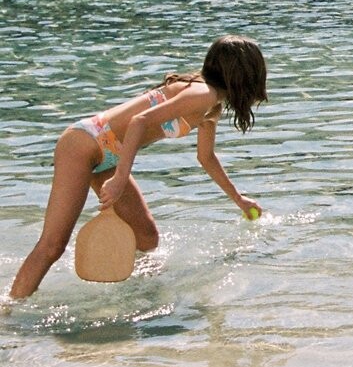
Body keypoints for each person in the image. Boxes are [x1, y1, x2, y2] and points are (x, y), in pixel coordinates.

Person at [7, 36, 268, 299]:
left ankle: (135, 297)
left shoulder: (211, 105)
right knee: (53, 245)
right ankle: (9, 309)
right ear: (244, 74)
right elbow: (139, 121)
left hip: (108, 156)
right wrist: (121, 177)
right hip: (83, 144)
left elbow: (206, 157)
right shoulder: (202, 94)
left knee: (146, 237)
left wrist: (239, 199)